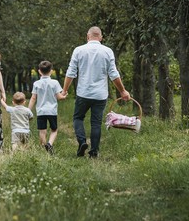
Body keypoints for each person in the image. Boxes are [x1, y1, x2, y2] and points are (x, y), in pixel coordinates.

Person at [62, 26, 130, 158]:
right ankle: (94, 152)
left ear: (87, 36)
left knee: (78, 118)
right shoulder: (107, 51)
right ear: (101, 37)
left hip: (83, 93)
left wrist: (64, 90)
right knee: (96, 123)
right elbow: (113, 74)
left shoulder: (78, 50)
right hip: (100, 95)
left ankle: (82, 142)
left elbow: (71, 73)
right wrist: (122, 91)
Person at [28, 60, 67, 154]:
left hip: (41, 111)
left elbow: (33, 98)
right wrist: (64, 96)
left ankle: (43, 148)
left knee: (42, 131)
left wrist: (28, 110)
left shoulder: (36, 83)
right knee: (54, 130)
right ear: (51, 71)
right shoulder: (55, 82)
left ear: (39, 71)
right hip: (52, 111)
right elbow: (59, 97)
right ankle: (49, 144)